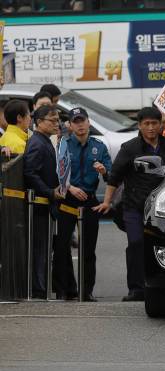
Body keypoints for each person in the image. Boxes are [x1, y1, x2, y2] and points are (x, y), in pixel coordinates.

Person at [93, 107, 165, 302]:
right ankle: (136, 289)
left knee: (164, 245)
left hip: (162, 208)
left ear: (160, 125)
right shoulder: (129, 148)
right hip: (133, 206)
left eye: (154, 123)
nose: (150, 128)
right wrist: (106, 202)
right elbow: (114, 177)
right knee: (136, 244)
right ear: (139, 126)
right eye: (146, 124)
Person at [52, 108, 112, 301]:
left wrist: (103, 172)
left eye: (82, 121)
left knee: (88, 249)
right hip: (68, 198)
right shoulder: (63, 145)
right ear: (70, 125)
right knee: (62, 247)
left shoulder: (99, 146)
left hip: (89, 200)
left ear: (88, 122)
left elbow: (112, 176)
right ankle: (64, 290)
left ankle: (86, 291)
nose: (79, 125)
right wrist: (69, 188)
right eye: (75, 121)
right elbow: (57, 173)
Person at [23, 105, 64, 298]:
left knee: (44, 249)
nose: (57, 124)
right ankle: (38, 291)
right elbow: (30, 172)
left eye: (58, 120)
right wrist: (49, 192)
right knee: (39, 250)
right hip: (39, 206)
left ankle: (41, 289)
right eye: (52, 120)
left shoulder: (45, 140)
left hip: (46, 204)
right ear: (39, 122)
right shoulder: (37, 143)